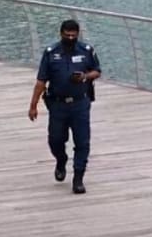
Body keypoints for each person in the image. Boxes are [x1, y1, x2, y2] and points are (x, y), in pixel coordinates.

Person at [28, 19, 101, 194]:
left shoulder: (86, 51)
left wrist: (84, 76)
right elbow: (41, 81)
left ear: (77, 34)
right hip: (58, 104)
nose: (70, 38)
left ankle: (78, 178)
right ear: (61, 34)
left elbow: (97, 71)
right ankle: (61, 160)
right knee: (55, 139)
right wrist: (33, 105)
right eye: (67, 35)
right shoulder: (51, 53)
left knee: (82, 141)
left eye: (73, 35)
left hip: (80, 104)